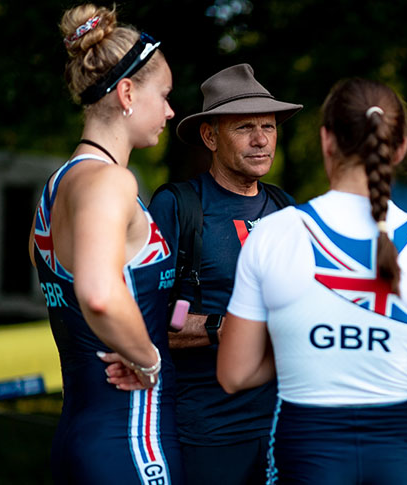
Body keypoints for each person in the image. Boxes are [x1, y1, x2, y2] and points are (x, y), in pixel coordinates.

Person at [217, 78, 407, 484]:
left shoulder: (273, 236)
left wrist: (300, 344)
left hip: (306, 447)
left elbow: (234, 374)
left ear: (327, 140)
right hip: (400, 450)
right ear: (399, 148)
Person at [28, 4, 180, 483]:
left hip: (78, 437)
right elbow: (97, 293)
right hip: (132, 441)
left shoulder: (54, 191)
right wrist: (148, 359)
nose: (170, 111)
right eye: (165, 95)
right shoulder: (111, 183)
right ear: (129, 92)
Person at [141, 64, 302, 485]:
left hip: (285, 426)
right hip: (206, 431)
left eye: (268, 125)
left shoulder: (288, 210)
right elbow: (155, 321)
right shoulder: (178, 207)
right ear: (210, 137)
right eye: (244, 127)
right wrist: (222, 326)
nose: (261, 139)